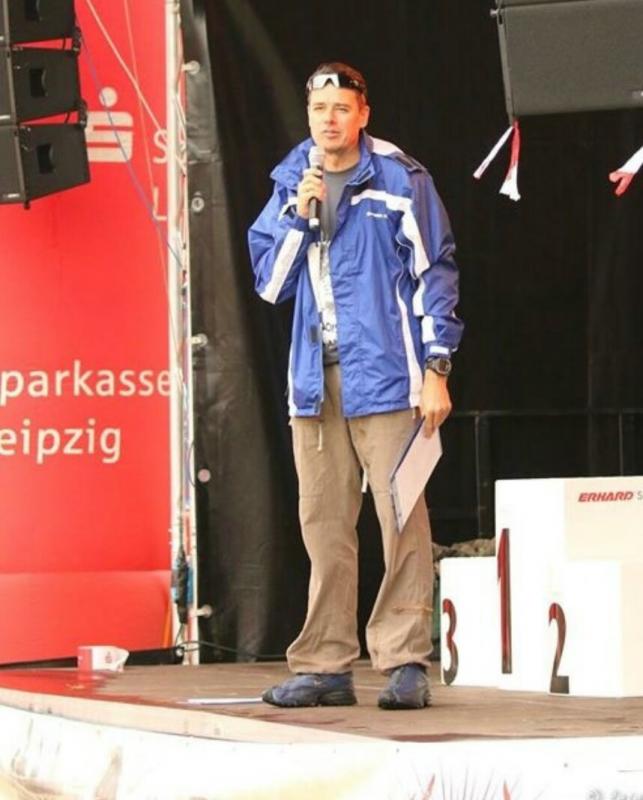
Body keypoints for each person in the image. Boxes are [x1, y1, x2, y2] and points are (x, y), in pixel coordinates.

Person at [248, 62, 463, 710]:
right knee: (323, 523)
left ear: (363, 114)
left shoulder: (398, 177)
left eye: (342, 108)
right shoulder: (292, 179)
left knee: (401, 519)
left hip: (389, 377)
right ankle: (324, 665)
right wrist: (299, 216)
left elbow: (435, 271)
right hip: (314, 383)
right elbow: (270, 284)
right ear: (308, 116)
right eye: (319, 109)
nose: (330, 120)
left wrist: (437, 368)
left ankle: (404, 659)